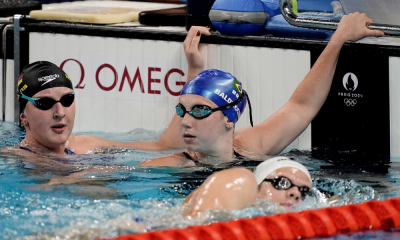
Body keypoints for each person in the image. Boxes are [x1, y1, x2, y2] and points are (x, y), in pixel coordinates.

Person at [139, 13, 384, 167]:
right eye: (183, 110)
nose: (185, 121)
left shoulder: (250, 144)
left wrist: (338, 38)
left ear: (229, 118)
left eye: (200, 110)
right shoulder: (163, 167)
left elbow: (301, 106)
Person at [15, 61, 186, 155]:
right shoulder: (16, 161)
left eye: (67, 99)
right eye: (45, 103)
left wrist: (192, 72)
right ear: (23, 116)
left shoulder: (85, 144)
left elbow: (165, 146)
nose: (59, 112)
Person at [182, 157, 312, 216]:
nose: (296, 193)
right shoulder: (242, 181)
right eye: (283, 183)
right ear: (257, 185)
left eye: (304, 191)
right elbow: (193, 228)